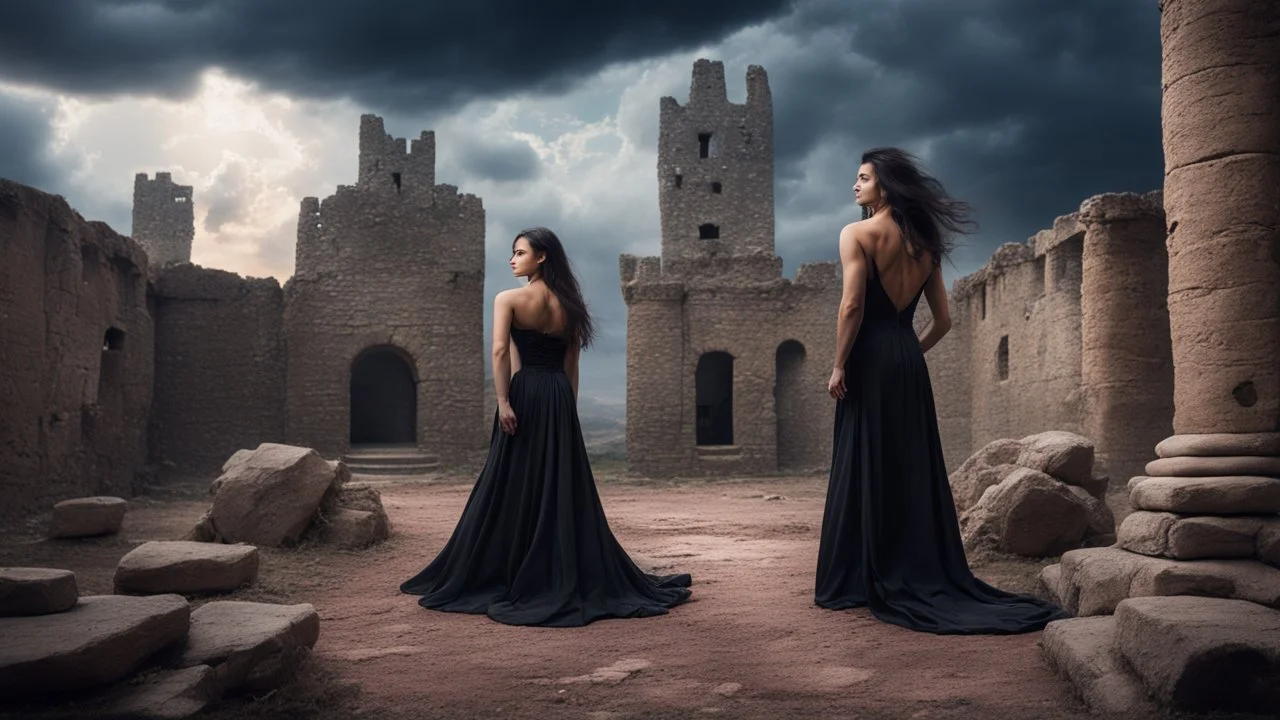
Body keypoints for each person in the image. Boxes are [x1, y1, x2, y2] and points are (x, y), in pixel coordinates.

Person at [815, 148, 1070, 634]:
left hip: (869, 356)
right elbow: (945, 321)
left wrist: (838, 364)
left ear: (884, 187)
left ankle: (852, 578)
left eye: (863, 178)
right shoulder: (925, 243)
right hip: (907, 359)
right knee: (909, 463)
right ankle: (914, 565)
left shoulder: (857, 233)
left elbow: (851, 306)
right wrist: (908, 352)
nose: (855, 185)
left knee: (864, 458)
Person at [401, 226, 692, 627]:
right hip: (556, 395)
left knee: (512, 478)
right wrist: (566, 411)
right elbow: (571, 366)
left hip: (524, 393)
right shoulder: (572, 307)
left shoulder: (509, 299)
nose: (512, 259)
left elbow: (502, 351)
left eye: (520, 252)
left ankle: (505, 563)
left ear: (542, 257)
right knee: (558, 483)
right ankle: (554, 562)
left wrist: (504, 401)